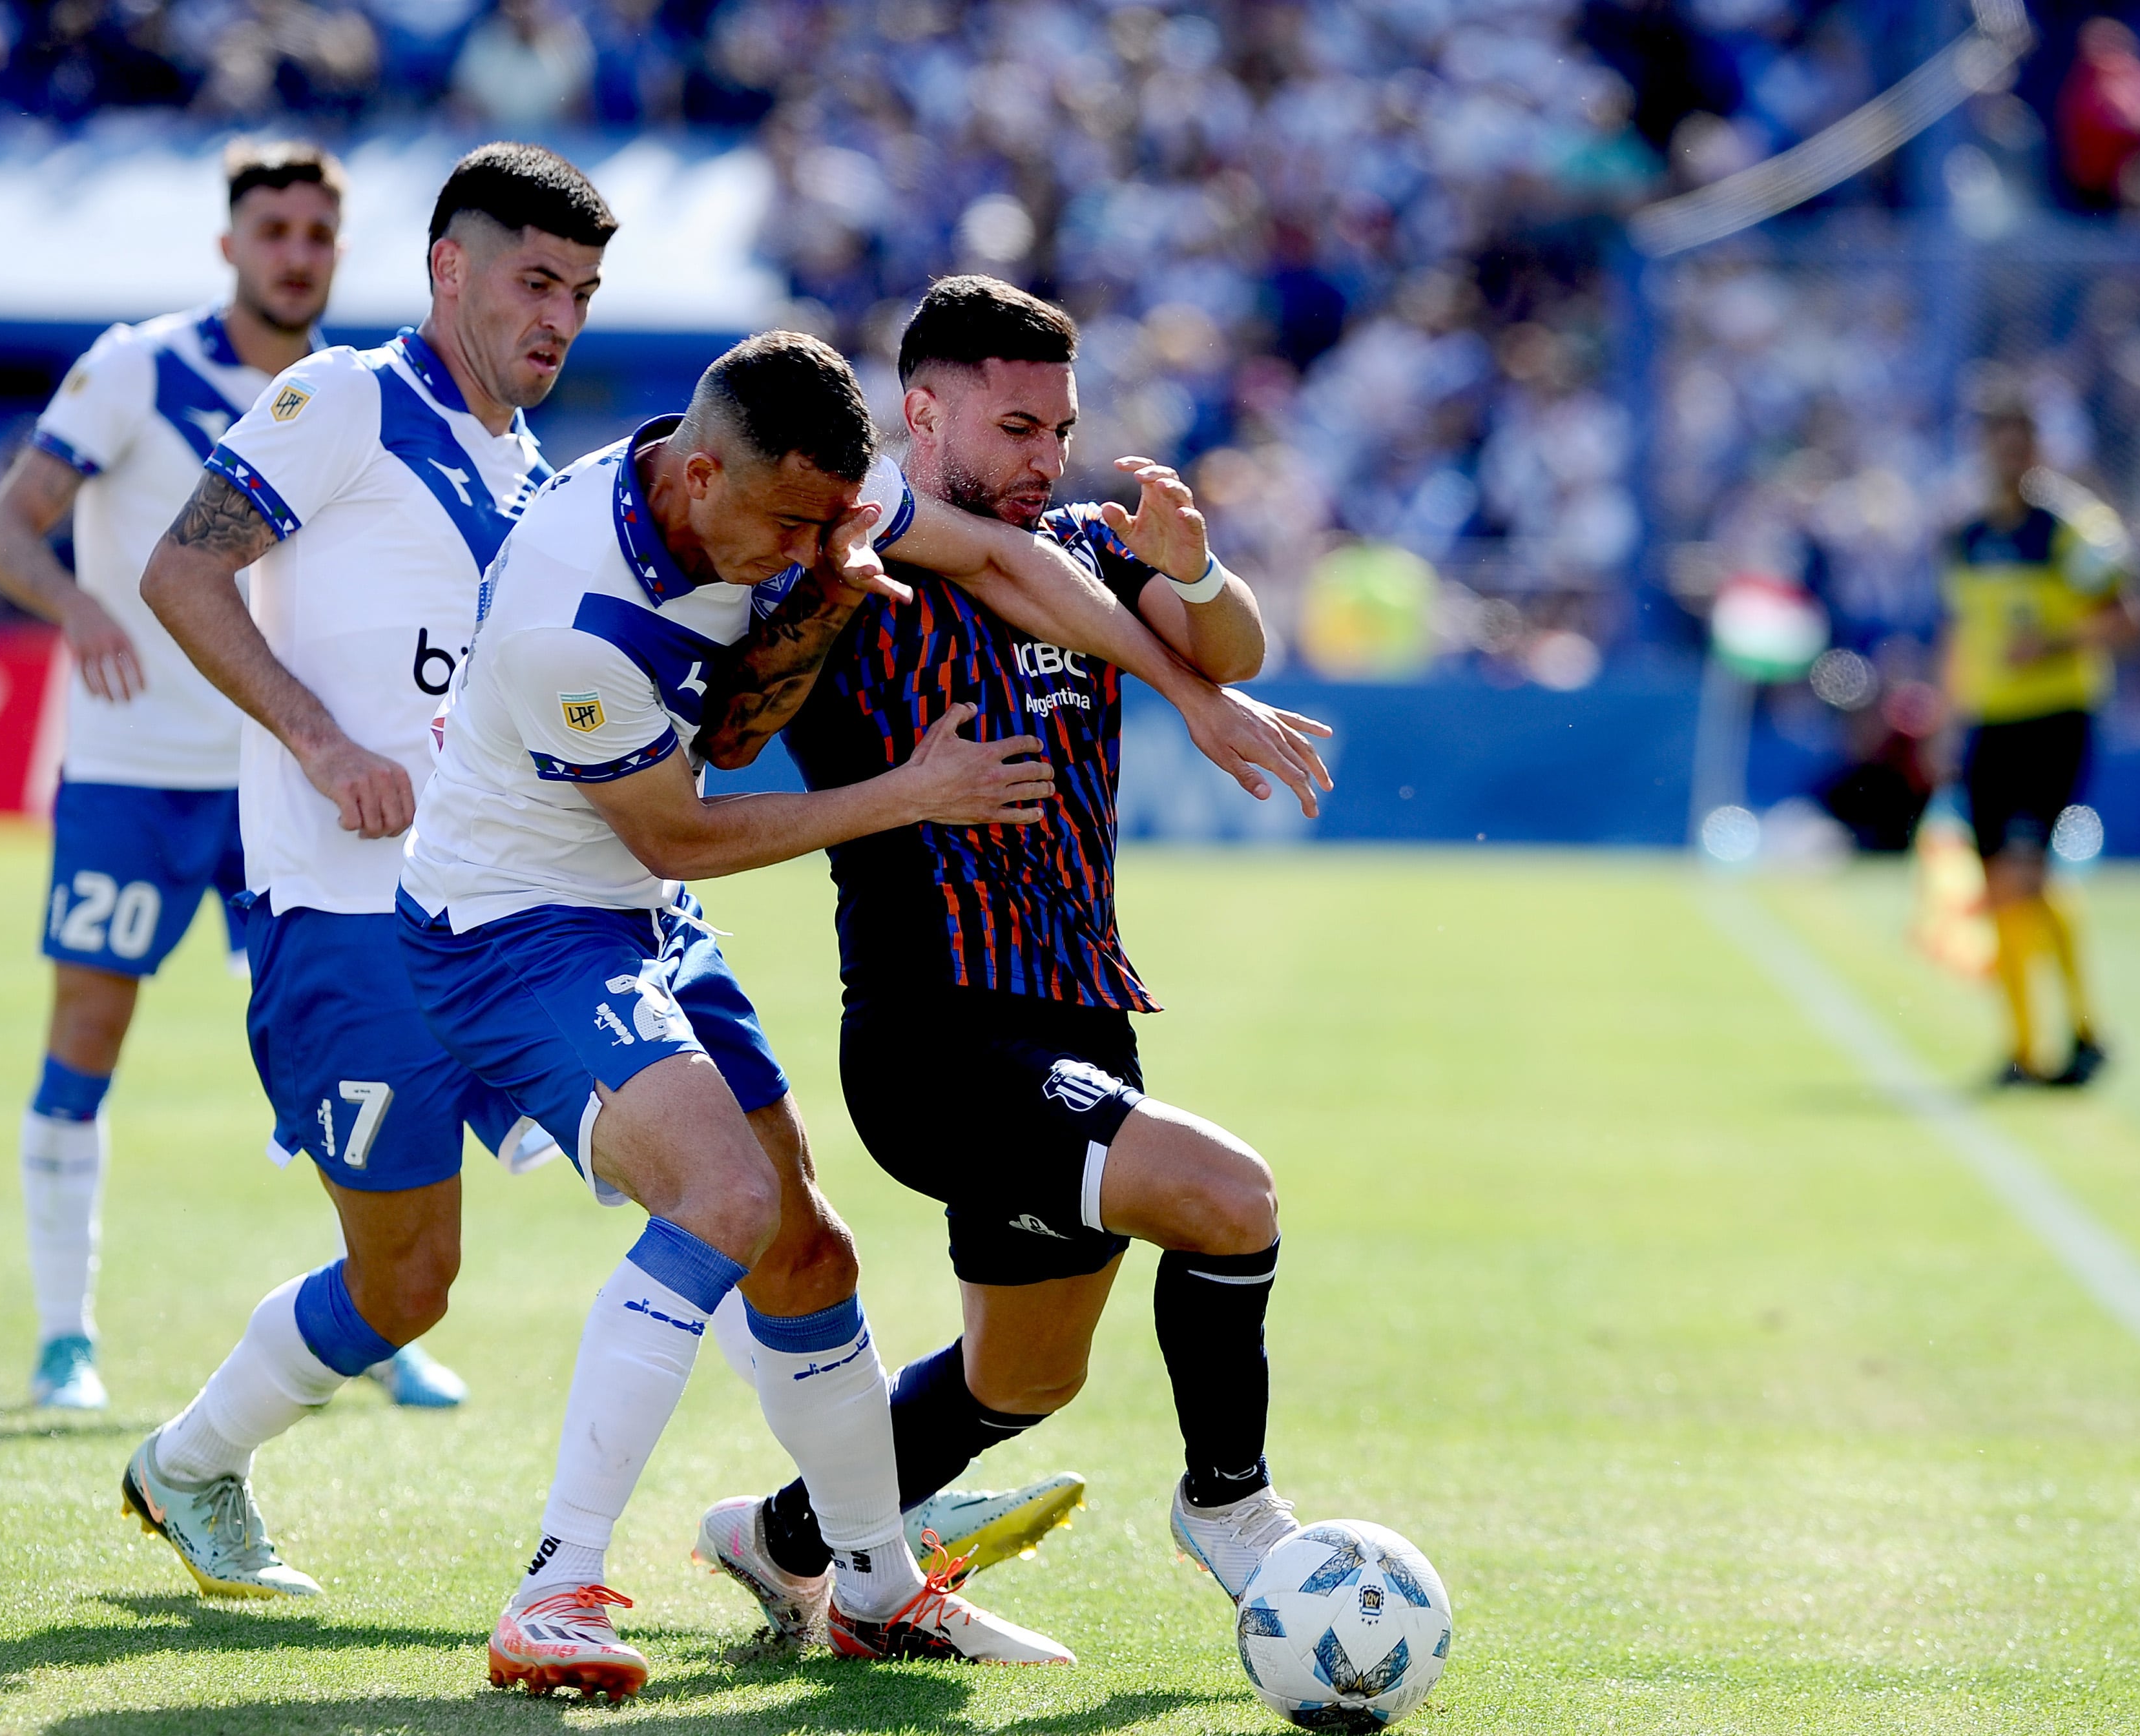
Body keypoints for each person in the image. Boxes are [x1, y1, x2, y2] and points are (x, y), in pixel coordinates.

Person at [397, 327, 1329, 1695]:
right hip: (524, 925)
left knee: (832, 1271)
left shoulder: (825, 505)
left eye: (1055, 431)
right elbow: (683, 825)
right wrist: (907, 782)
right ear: (706, 475)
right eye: (1014, 428)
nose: (804, 550)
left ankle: (838, 1569)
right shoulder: (574, 619)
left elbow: (1029, 568)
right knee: (725, 1201)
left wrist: (1198, 689)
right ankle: (556, 1586)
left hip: (681, 925)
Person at [694, 277, 1324, 1642]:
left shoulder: (1089, 542)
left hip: (1083, 1019)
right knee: (1231, 1197)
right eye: (1019, 426)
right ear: (921, 413)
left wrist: (1197, 571)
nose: (1048, 457)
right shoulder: (853, 548)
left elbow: (1236, 640)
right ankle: (1228, 1503)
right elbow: (736, 733)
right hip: (938, 1034)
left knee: (1019, 1380)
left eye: (1062, 427)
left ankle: (784, 1539)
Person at [112, 141, 608, 1600]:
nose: (558, 318)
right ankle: (190, 1463)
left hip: (513, 926)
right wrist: (326, 746)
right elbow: (180, 574)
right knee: (407, 1284)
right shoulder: (341, 399)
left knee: (726, 1166)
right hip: (345, 925)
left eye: (580, 292)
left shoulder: (529, 468)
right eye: (533, 281)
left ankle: (847, 1521)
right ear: (447, 270)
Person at [0, 143, 465, 1413]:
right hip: (138, 777)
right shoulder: (138, 365)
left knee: (343, 1060)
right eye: (274, 231)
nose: (295, 253)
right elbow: (6, 531)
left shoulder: (352, 398)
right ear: (231, 244)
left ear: (338, 253)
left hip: (291, 794)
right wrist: (79, 609)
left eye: (317, 234)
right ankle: (62, 1338)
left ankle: (378, 1310)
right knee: (87, 1038)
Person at [1941, 400, 2140, 1087]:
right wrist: (1948, 717)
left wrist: (2055, 644)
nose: (2007, 462)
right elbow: (1961, 633)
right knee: (2001, 885)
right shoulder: (1966, 537)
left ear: (2037, 451)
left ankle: (2049, 1046)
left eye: (2019, 447)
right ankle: (2038, 1044)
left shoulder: (2073, 531)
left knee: (2020, 872)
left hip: (2054, 720)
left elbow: (2132, 620)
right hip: (1989, 724)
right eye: (1995, 447)